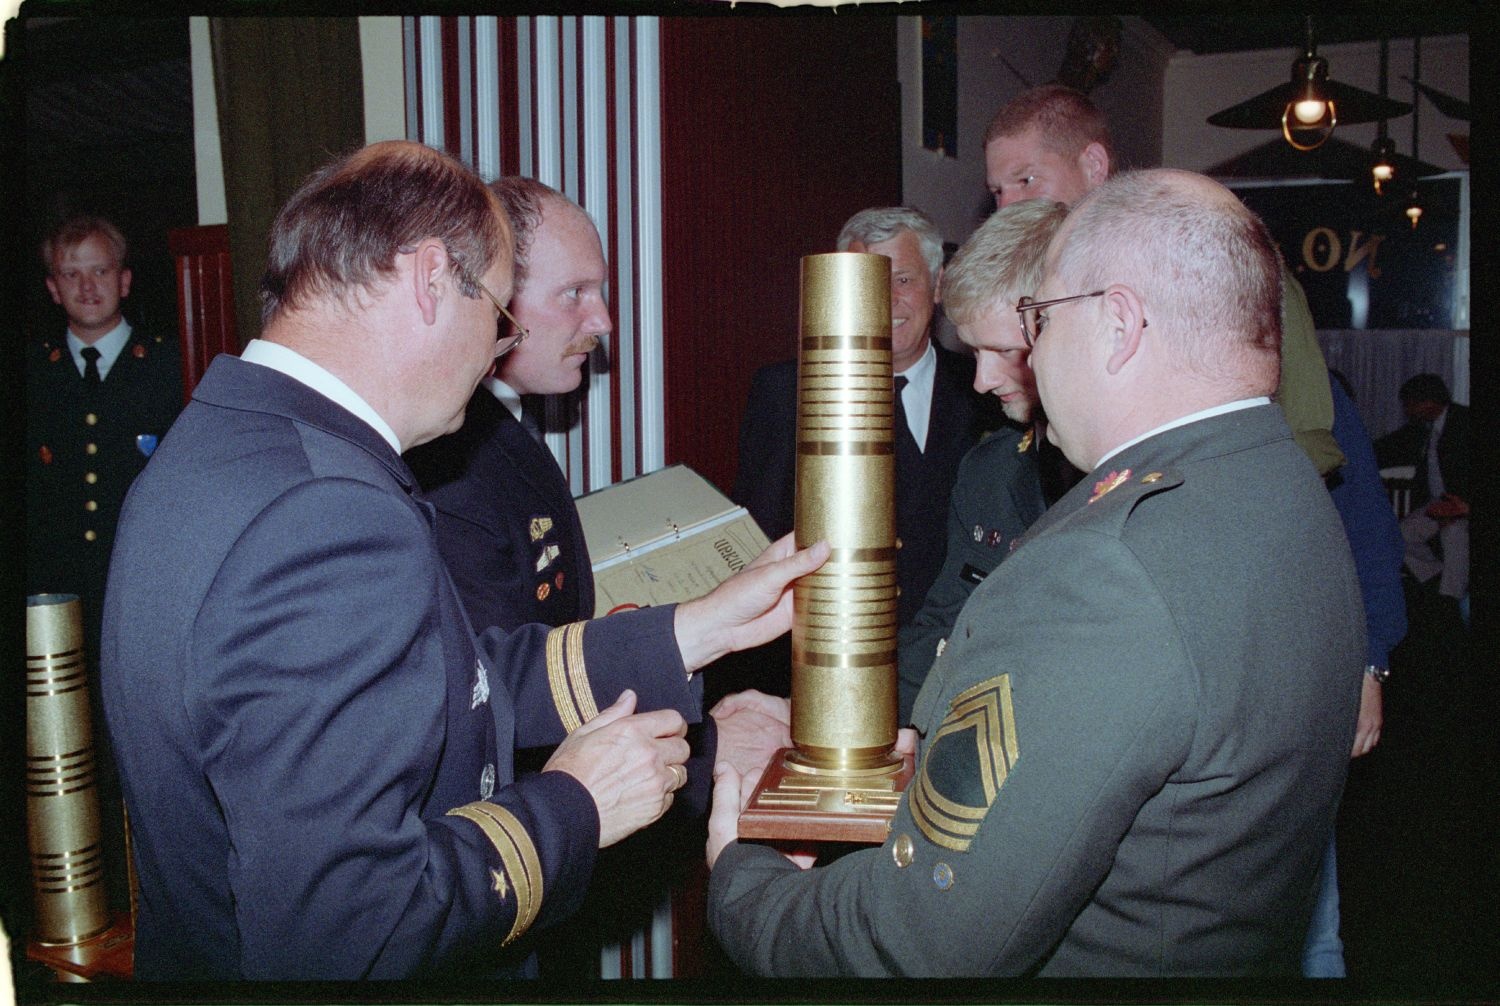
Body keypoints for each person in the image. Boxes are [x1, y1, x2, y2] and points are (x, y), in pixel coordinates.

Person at [99, 141, 826, 981]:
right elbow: (347, 929)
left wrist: (695, 629)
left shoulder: (226, 440)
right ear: (432, 277)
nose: (498, 347)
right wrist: (576, 804)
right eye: (500, 312)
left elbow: (452, 682)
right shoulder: (324, 510)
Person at [706, 169, 1366, 977]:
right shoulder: (1281, 483)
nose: (1022, 360)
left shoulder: (1104, 570)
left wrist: (744, 872)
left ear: (1118, 325)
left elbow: (920, 944)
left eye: (1039, 320)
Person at [982, 83, 1345, 478]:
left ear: (1094, 164)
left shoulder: (1207, 257)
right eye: (998, 191)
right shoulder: (1046, 290)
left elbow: (1305, 435)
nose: (1006, 208)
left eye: (1026, 181)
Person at [25, 213, 183, 911]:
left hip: (142, 600)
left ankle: (146, 898)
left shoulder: (174, 367)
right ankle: (75, 901)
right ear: (54, 288)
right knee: (60, 751)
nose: (87, 285)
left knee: (139, 749)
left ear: (123, 280)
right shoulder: (31, 376)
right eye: (71, 273)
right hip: (51, 608)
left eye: (99, 270)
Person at [733, 206, 988, 635]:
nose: (884, 298)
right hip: (829, 652)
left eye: (903, 279)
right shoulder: (786, 393)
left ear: (938, 283)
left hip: (956, 651)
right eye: (865, 280)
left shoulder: (989, 390)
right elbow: (757, 542)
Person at [895, 198, 1078, 722]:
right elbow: (943, 619)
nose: (981, 381)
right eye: (975, 354)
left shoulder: (1129, 478)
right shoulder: (989, 471)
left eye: (1003, 352)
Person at [408, 177, 604, 634]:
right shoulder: (446, 456)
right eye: (574, 292)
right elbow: (504, 663)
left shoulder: (503, 418)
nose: (602, 321)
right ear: (499, 297)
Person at [1302, 372, 1408, 977]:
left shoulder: (1308, 384)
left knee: (1316, 918)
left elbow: (1367, 525)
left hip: (1300, 665)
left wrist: (1371, 662)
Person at [1375, 373, 1469, 608]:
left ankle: (1450, 599)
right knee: (1401, 534)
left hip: (1462, 504)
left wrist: (1458, 509)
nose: (1406, 410)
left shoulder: (1465, 423)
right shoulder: (1426, 428)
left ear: (1426, 403)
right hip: (1438, 503)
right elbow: (1388, 446)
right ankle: (1434, 577)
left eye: (1409, 404)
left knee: (1454, 535)